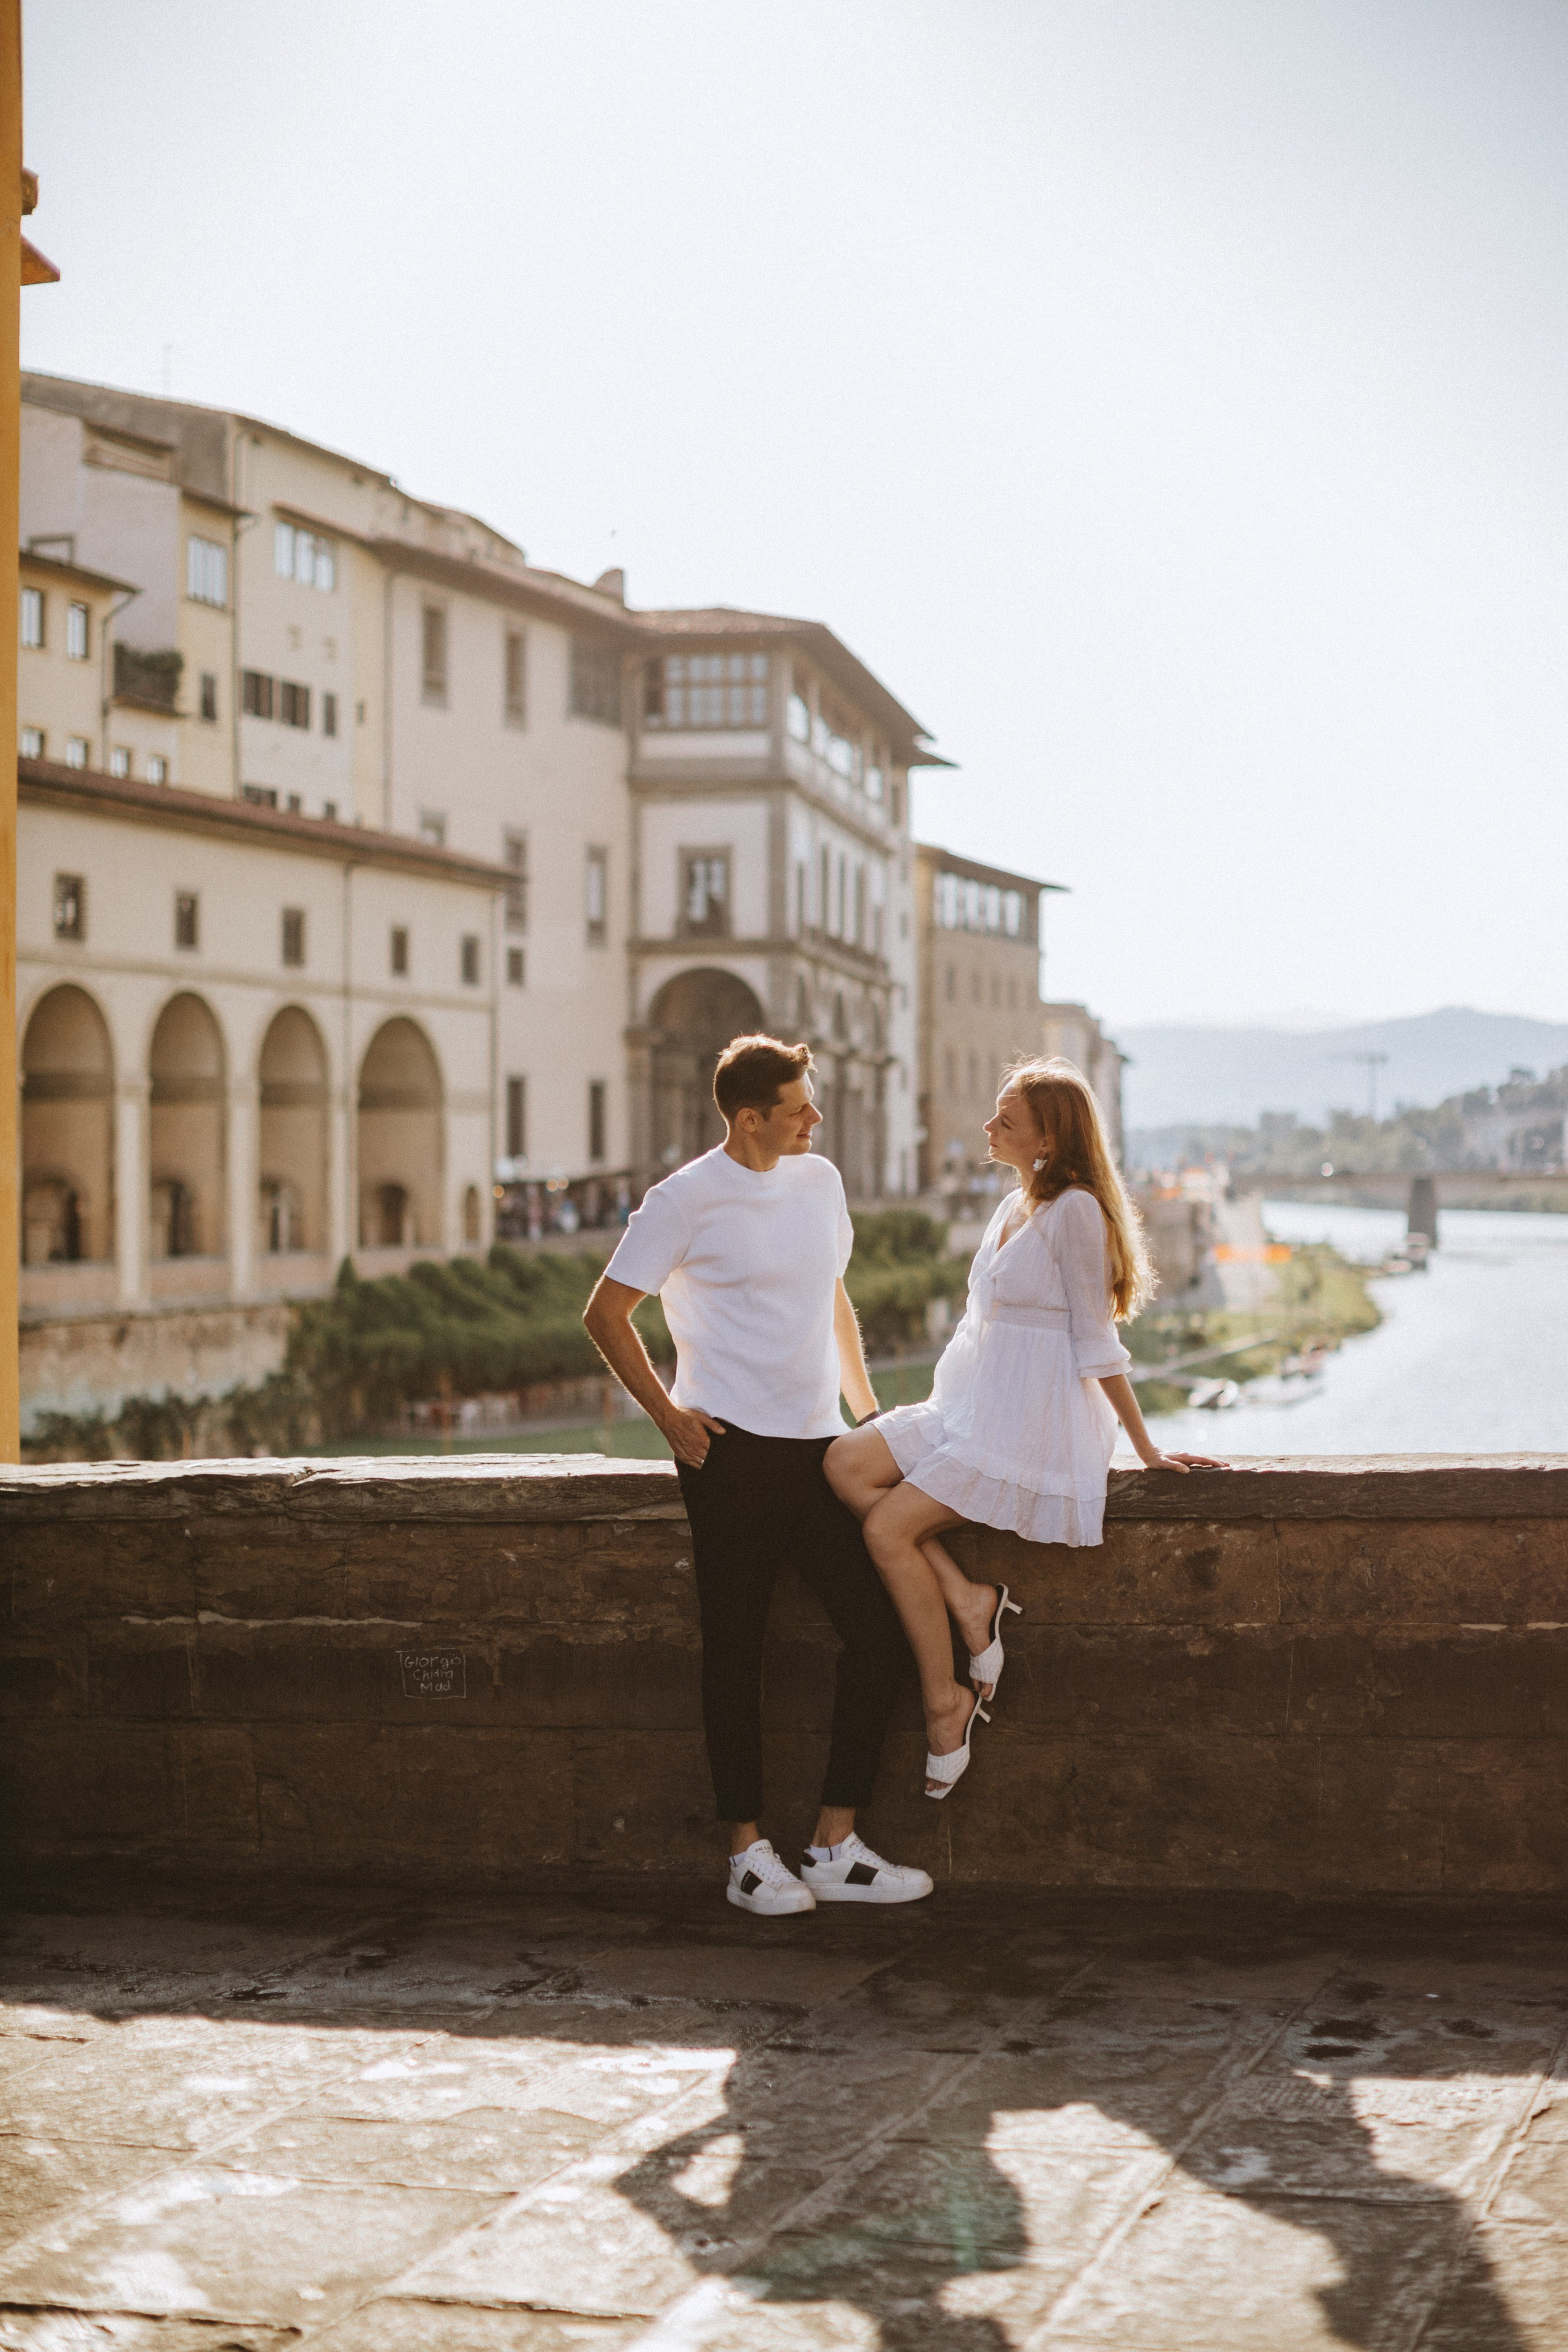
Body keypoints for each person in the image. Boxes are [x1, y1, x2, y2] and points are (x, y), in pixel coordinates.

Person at [583, 1033, 932, 1919]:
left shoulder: (820, 1182)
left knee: (880, 1637)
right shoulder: (683, 1200)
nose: (817, 1116)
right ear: (751, 1120)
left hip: (819, 1453)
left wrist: (866, 1416)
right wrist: (669, 1418)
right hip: (730, 1455)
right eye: (800, 1106)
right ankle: (744, 1854)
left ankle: (832, 1847)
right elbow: (606, 1312)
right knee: (735, 1654)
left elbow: (833, 1299)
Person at [825, 1057, 1227, 1799]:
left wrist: (1144, 1448)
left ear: (1048, 1137)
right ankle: (971, 1600)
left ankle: (944, 1700)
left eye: (1005, 1120)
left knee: (885, 1531)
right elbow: (983, 1324)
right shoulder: (1012, 1204)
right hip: (970, 1403)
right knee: (845, 1465)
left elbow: (1094, 1340)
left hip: (1027, 1422)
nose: (987, 1127)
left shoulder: (1075, 1210)